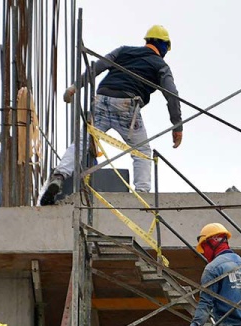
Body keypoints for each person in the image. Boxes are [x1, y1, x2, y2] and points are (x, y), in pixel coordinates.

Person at [39, 25, 183, 205]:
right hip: (127, 106)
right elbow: (172, 94)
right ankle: (142, 196)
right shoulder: (160, 65)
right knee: (142, 152)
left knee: (82, 143)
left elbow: (98, 66)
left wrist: (75, 87)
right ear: (164, 47)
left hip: (102, 100)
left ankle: (59, 176)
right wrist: (177, 126)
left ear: (147, 41)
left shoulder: (123, 51)